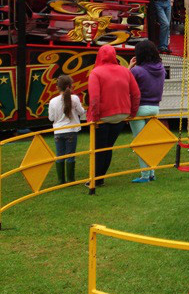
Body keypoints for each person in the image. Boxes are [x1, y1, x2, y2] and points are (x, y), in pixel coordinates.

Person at [87, 45, 140, 187]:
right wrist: (132, 114)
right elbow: (136, 94)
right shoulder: (125, 71)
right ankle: (100, 178)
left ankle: (96, 180)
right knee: (108, 147)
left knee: (99, 149)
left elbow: (94, 99)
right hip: (121, 115)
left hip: (104, 116)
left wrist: (94, 117)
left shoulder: (96, 73)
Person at [128, 40, 166, 183]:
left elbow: (126, 83)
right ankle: (152, 172)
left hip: (139, 108)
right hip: (155, 108)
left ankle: (145, 175)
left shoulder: (137, 70)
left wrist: (130, 67)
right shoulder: (161, 69)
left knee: (140, 143)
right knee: (150, 142)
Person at [49, 75, 85, 185]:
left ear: (57, 87)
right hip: (71, 130)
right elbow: (81, 112)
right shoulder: (74, 98)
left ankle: (61, 180)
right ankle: (70, 179)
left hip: (58, 131)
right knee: (70, 155)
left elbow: (51, 118)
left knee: (60, 155)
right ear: (70, 86)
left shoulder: (52, 101)